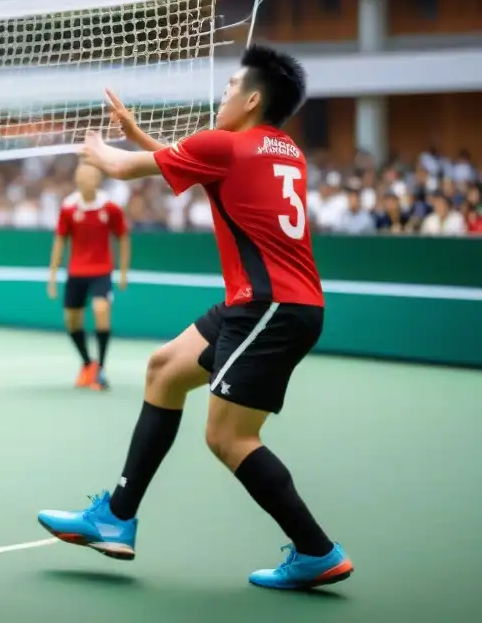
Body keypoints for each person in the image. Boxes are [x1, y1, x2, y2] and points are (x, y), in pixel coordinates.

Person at [37, 45, 353, 591]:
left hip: (269, 307)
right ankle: (117, 516)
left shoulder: (223, 147)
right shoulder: (285, 151)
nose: (223, 93)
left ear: (253, 98)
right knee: (164, 369)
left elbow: (123, 170)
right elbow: (191, 162)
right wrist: (138, 133)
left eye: (231, 86)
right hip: (268, 303)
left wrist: (96, 149)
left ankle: (316, 551)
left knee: (229, 437)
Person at [47, 161, 129, 389]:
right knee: (71, 321)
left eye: (90, 175)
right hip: (76, 272)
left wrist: (123, 271)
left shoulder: (110, 207)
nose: (85, 179)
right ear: (77, 179)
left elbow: (122, 236)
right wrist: (52, 276)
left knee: (101, 309)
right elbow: (59, 241)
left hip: (101, 271)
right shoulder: (69, 208)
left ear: (97, 179)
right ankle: (87, 364)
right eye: (81, 175)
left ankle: (100, 370)